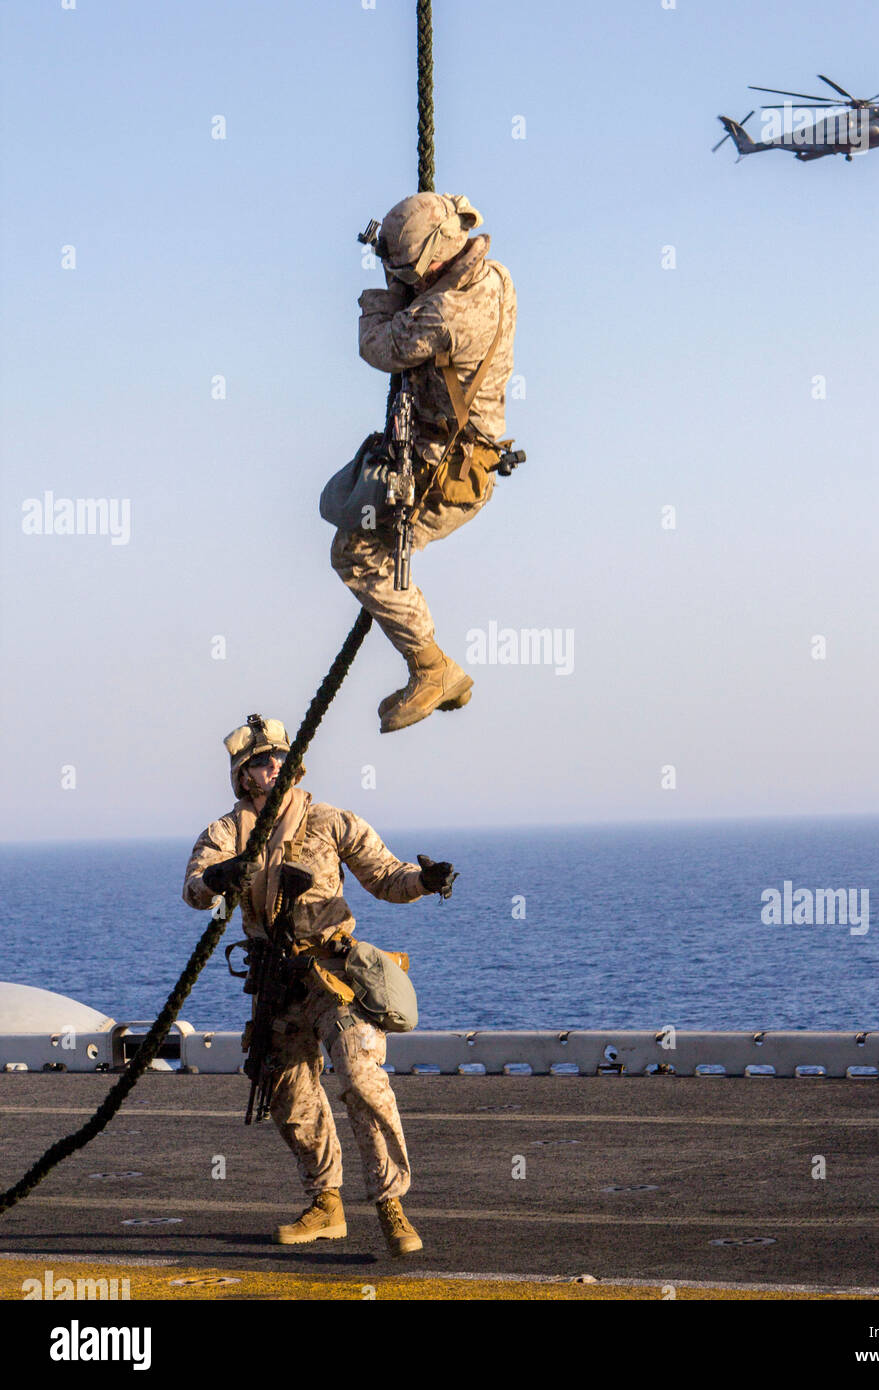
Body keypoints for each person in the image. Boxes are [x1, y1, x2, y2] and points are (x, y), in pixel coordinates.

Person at [182, 713, 457, 1256]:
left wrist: (425, 881)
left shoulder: (330, 821)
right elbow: (195, 890)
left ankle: (390, 1204)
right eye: (261, 762)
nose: (273, 765)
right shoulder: (225, 833)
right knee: (287, 1092)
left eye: (279, 757)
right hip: (274, 983)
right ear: (244, 777)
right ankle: (326, 1204)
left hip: (333, 974)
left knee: (359, 1074)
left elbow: (386, 877)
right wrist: (217, 877)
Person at [331, 192, 518, 733]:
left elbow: (378, 347)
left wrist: (387, 292)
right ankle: (433, 669)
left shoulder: (444, 313)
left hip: (442, 473)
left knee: (358, 554)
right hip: (453, 454)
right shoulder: (495, 276)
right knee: (353, 518)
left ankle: (432, 669)